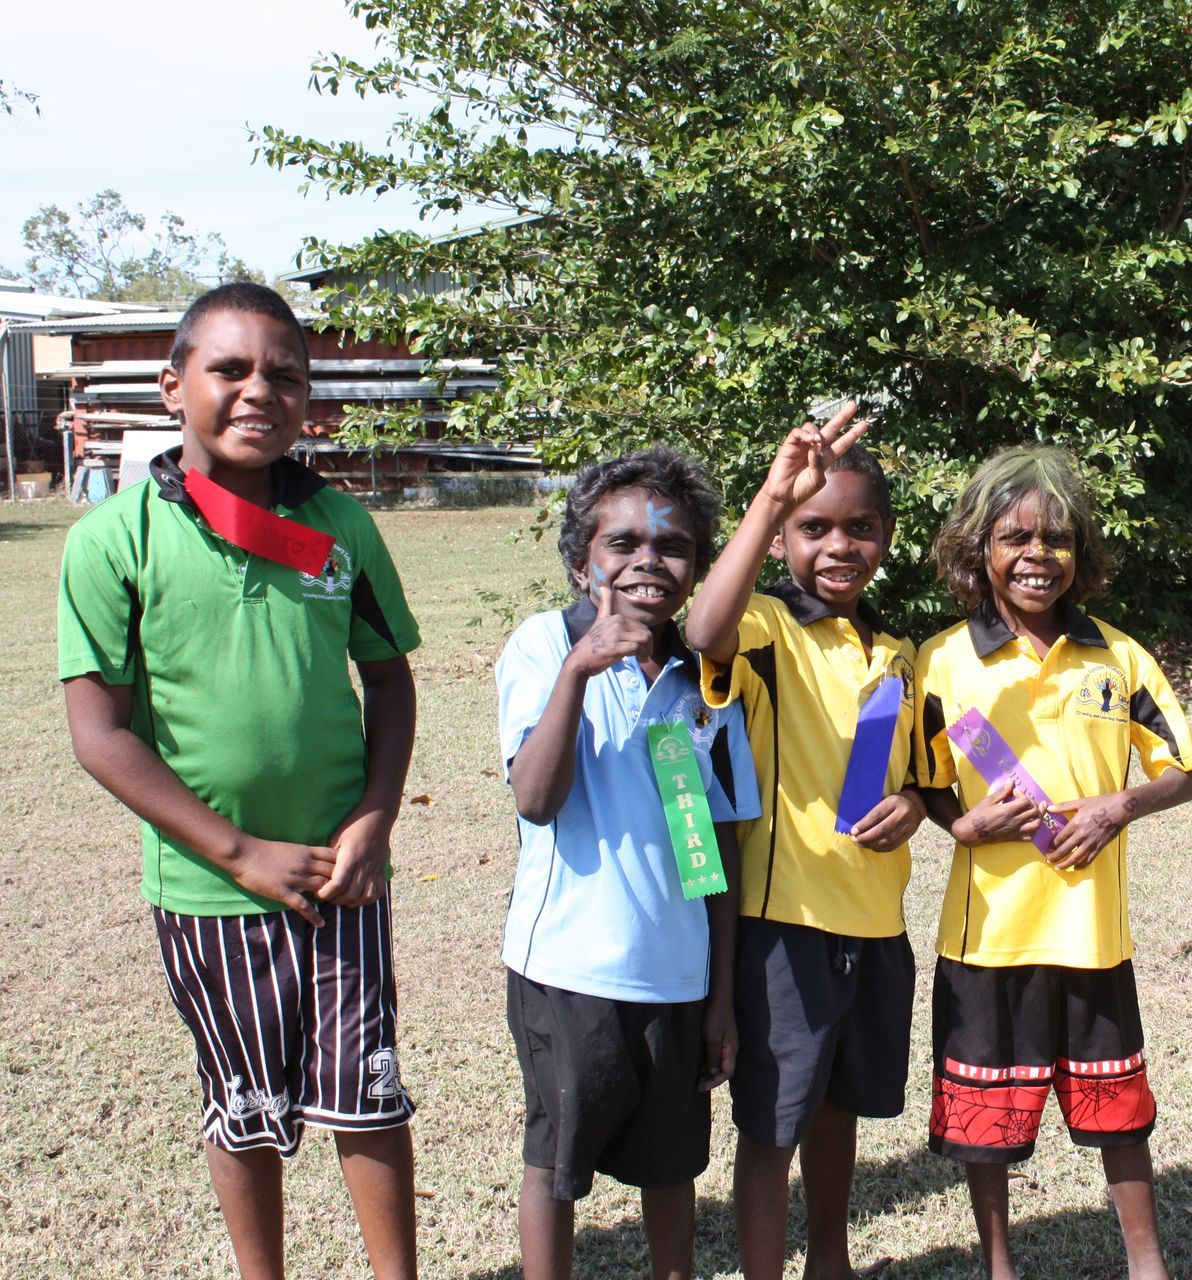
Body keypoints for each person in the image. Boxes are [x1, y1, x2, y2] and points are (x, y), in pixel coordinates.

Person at [57, 282, 421, 1279]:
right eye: (231, 368)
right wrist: (241, 852)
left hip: (342, 873)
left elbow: (388, 678)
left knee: (369, 1093)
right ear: (175, 386)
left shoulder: (339, 522)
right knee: (247, 1106)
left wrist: (374, 820)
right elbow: (101, 733)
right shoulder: (111, 540)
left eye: (285, 373)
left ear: (309, 399)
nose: (260, 389)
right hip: (212, 886)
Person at [912, 445, 1192, 1280]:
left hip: (1092, 935)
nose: (1038, 556)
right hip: (988, 938)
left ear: (1082, 551)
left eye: (1058, 538)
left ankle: (1146, 1265)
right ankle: (998, 1263)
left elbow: (1185, 768)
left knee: (1121, 1114)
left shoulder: (1119, 657)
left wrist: (1119, 805)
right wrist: (963, 826)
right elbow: (927, 784)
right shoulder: (941, 662)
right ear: (980, 550)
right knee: (986, 1122)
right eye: (1015, 538)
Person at [495, 448, 759, 1280]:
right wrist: (582, 668)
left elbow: (714, 845)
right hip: (570, 969)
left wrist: (720, 995)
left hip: (677, 981)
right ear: (582, 563)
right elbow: (536, 798)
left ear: (695, 571)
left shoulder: (702, 681)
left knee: (672, 1167)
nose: (649, 560)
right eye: (623, 544)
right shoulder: (544, 645)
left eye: (673, 546)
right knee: (557, 1166)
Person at [682, 404, 925, 1280]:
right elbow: (702, 628)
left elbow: (919, 774)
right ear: (782, 539)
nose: (839, 546)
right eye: (812, 528)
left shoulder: (898, 650)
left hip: (875, 924)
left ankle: (830, 1261)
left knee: (838, 1109)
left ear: (887, 537)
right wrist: (769, 493)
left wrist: (916, 808)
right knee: (772, 1124)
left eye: (860, 528)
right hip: (784, 925)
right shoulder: (764, 630)